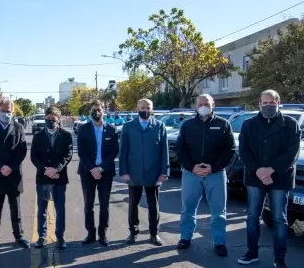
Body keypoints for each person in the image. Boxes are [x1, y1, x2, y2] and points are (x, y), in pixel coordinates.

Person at [238, 89, 301, 268]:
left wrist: (271, 169)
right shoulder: (249, 124)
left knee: (279, 219)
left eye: (271, 103)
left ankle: (280, 258)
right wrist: (258, 170)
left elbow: (292, 152)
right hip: (255, 177)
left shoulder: (290, 124)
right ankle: (251, 252)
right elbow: (244, 149)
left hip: (279, 177)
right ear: (259, 104)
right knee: (252, 217)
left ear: (278, 102)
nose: (268, 106)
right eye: (264, 103)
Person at [175, 94, 236, 256]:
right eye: (200, 104)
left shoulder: (223, 124)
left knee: (218, 210)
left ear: (213, 105)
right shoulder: (187, 125)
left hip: (215, 174)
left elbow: (230, 150)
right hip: (191, 174)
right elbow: (180, 149)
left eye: (206, 103)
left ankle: (220, 242)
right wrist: (191, 167)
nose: (203, 106)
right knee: (187, 208)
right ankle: (185, 237)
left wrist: (213, 167)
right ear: (195, 107)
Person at [0, 96, 31, 249]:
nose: (5, 113)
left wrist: (11, 166)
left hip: (13, 173)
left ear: (13, 111)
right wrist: (0, 166)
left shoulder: (19, 127)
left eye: (8, 111)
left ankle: (19, 236)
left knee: (15, 207)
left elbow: (22, 150)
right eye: (3, 111)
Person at [119, 98, 170, 246]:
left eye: (148, 107)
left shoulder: (159, 126)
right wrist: (124, 171)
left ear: (152, 109)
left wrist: (164, 171)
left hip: (153, 173)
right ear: (137, 108)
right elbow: (123, 151)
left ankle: (154, 234)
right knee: (133, 204)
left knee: (153, 205)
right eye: (142, 107)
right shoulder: (128, 127)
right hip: (134, 173)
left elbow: (164, 151)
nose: (145, 110)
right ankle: (133, 233)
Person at [76, 100, 119, 247]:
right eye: (94, 110)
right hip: (87, 172)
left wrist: (101, 168)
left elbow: (114, 151)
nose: (97, 112)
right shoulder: (83, 129)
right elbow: (81, 151)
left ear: (103, 111)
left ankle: (102, 234)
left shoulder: (112, 129)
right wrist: (92, 168)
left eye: (99, 109)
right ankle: (90, 233)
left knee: (104, 204)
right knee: (89, 204)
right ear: (90, 112)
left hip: (105, 172)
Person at [30, 106, 74, 250]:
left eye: (53, 119)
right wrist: (45, 170)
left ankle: (60, 237)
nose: (50, 121)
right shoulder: (38, 136)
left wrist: (56, 169)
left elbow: (68, 155)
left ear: (58, 120)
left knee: (60, 208)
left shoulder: (66, 135)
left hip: (59, 177)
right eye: (48, 119)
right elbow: (34, 157)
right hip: (43, 177)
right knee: (42, 208)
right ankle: (41, 236)